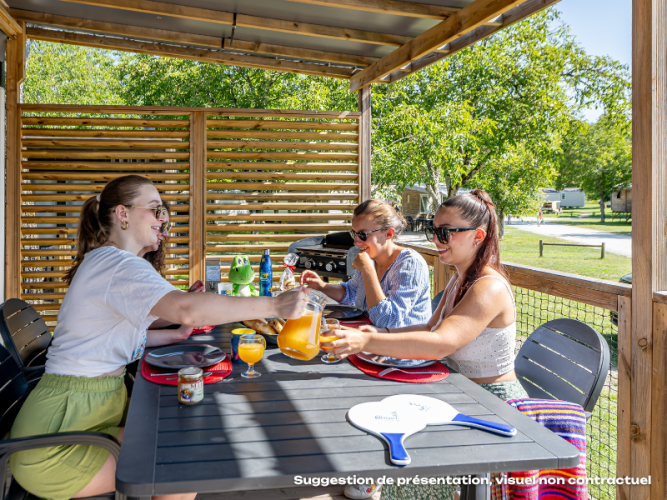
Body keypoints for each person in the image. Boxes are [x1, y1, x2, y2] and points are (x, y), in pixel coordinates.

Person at [9, 175, 306, 500]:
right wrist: (276, 303)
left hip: (82, 418)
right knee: (181, 465)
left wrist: (177, 331)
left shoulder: (110, 262)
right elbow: (188, 309)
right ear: (122, 214)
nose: (163, 218)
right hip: (55, 443)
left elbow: (118, 335)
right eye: (154, 209)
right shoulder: (116, 264)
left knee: (181, 440)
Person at [327, 190, 527, 500]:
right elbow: (428, 328)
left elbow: (440, 344)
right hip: (459, 391)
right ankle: (372, 479)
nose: (436, 239)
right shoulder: (460, 279)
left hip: (492, 405)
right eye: (432, 230)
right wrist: (371, 341)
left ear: (478, 235)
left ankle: (376, 482)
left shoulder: (488, 286)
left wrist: (368, 340)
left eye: (446, 232)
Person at [300, 199, 431, 329]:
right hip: (373, 340)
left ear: (388, 233)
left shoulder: (410, 263)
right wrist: (321, 285)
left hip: (405, 346)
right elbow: (351, 293)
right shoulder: (372, 257)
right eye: (354, 233)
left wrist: (368, 270)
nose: (356, 242)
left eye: (363, 234)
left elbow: (388, 321)